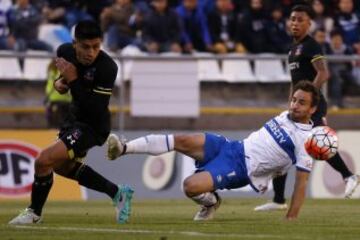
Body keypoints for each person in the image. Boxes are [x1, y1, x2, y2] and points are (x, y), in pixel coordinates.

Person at [107, 80, 319, 220]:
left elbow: (301, 183)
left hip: (240, 167)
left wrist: (291, 218)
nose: (294, 105)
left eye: (301, 103)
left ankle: (212, 202)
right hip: (231, 146)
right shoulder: (285, 115)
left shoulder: (305, 140)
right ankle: (123, 148)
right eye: (293, 99)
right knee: (182, 140)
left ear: (312, 109)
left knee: (189, 186)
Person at [8, 20, 134, 225]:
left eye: (96, 46)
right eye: (85, 46)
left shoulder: (108, 67)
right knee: (60, 167)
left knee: (43, 161)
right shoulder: (64, 51)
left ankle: (34, 213)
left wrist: (73, 80)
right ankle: (117, 192)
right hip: (73, 119)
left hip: (94, 125)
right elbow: (63, 80)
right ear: (74, 43)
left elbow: (94, 108)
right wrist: (61, 82)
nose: (91, 52)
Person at [254, 4, 359, 212]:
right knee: (282, 147)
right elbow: (295, 83)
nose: (295, 23)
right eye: (292, 19)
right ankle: (278, 200)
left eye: (300, 19)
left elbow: (323, 73)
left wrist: (309, 98)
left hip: (312, 106)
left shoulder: (310, 46)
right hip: (299, 107)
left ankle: (349, 176)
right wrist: (291, 104)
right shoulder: (292, 49)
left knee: (319, 143)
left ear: (309, 23)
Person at [44, 59, 72, 128]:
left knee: (55, 121)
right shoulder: (66, 71)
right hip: (66, 99)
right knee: (65, 121)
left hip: (54, 99)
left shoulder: (52, 72)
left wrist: (47, 96)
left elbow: (49, 86)